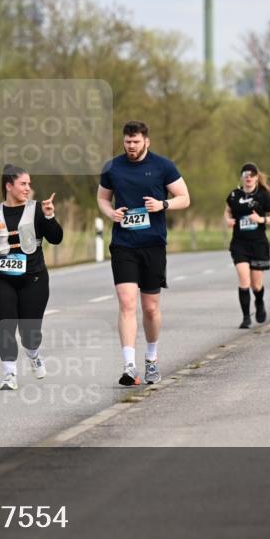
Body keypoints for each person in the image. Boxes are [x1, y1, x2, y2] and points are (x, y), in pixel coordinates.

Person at [97, 121, 190, 386]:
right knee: (126, 303)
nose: (131, 147)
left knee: (150, 308)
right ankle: (129, 366)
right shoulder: (112, 167)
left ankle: (151, 360)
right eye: (127, 142)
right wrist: (110, 213)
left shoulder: (163, 166)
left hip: (152, 245)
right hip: (124, 245)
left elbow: (185, 197)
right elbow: (103, 198)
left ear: (146, 141)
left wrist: (163, 204)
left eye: (135, 142)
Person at [0, 166, 62, 391]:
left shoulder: (38, 210)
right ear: (8, 186)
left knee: (30, 335)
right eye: (23, 184)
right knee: (6, 326)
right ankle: (9, 374)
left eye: (29, 184)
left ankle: (33, 353)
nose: (28, 189)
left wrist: (50, 216)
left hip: (34, 279)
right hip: (0, 278)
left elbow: (57, 238)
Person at [224, 164, 270, 328]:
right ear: (242, 177)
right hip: (239, 244)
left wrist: (261, 220)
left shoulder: (263, 195)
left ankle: (259, 302)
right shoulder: (234, 195)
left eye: (251, 175)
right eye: (245, 174)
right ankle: (246, 318)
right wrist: (227, 220)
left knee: (256, 285)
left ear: (256, 177)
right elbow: (227, 211)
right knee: (244, 280)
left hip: (258, 244)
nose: (248, 177)